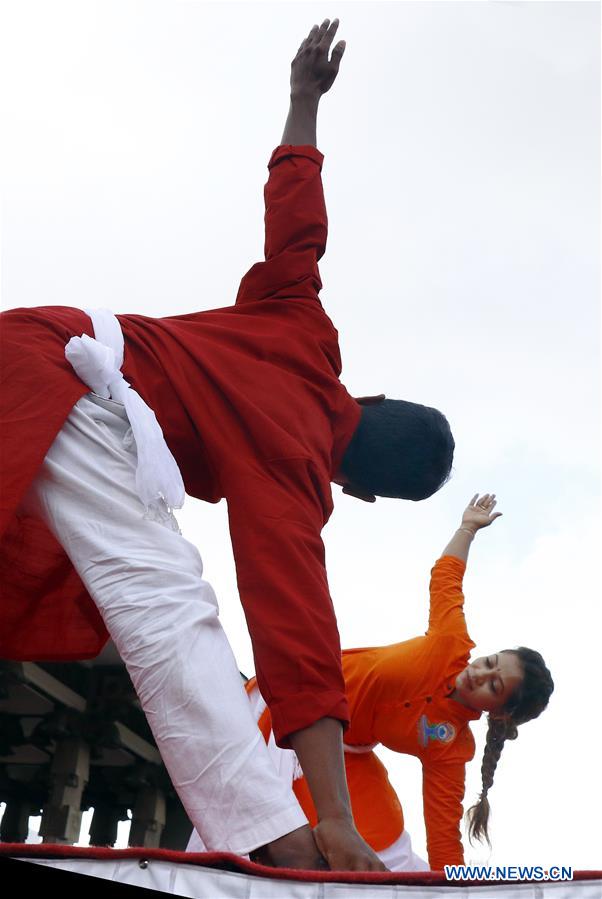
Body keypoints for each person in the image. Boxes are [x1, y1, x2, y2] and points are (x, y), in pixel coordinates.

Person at [0, 21, 454, 870]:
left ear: (374, 395)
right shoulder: (296, 470)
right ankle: (280, 840)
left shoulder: (304, 326)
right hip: (70, 392)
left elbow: (299, 226)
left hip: (34, 343)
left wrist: (304, 101)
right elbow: (297, 632)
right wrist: (337, 816)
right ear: (361, 493)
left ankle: (280, 829)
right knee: (172, 608)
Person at [189, 494, 553, 869]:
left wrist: (452, 889)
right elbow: (446, 577)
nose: (479, 673)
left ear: (501, 715)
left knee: (385, 848)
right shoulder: (451, 642)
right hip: (292, 701)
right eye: (490, 662)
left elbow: (443, 829)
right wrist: (467, 528)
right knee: (250, 817)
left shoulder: (450, 747)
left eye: (493, 685)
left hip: (343, 754)